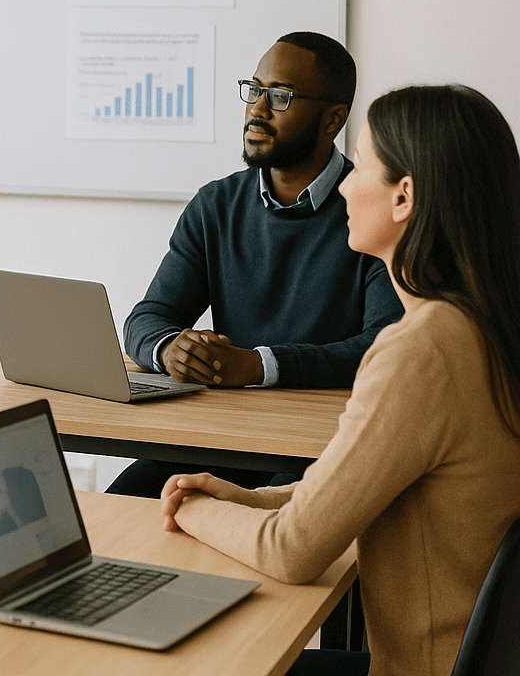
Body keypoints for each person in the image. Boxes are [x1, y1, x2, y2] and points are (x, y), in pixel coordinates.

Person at [161, 84, 520, 676]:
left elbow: (292, 550)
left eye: (363, 165)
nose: (346, 184)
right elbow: (364, 488)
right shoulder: (488, 323)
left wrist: (190, 508)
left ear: (404, 196)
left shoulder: (422, 350)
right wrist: (249, 499)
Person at [109, 32, 404, 497]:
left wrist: (258, 366)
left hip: (323, 445)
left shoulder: (370, 211)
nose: (257, 110)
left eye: (281, 97)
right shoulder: (216, 204)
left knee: (269, 524)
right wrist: (170, 350)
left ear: (333, 119)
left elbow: (382, 348)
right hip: (224, 437)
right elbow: (147, 318)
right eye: (255, 89)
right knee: (124, 502)